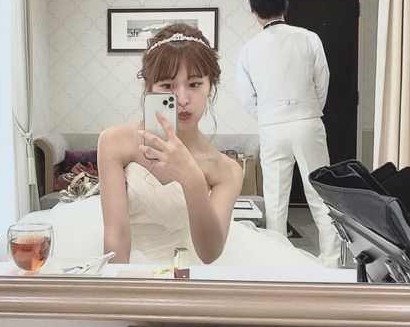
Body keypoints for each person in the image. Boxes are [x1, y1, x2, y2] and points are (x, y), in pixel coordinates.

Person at [98, 22, 322, 269]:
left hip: (193, 270)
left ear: (210, 87)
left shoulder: (226, 169)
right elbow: (117, 235)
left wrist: (193, 180)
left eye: (194, 84)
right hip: (129, 270)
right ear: (149, 88)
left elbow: (209, 254)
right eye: (167, 86)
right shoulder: (114, 142)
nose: (182, 99)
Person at [236, 0, 341, 268]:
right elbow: (322, 81)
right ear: (285, 6)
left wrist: (267, 116)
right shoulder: (308, 38)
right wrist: (309, 109)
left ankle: (278, 262)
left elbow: (246, 96)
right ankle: (331, 261)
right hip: (307, 121)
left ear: (255, 12)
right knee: (320, 193)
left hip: (271, 125)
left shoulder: (249, 49)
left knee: (275, 197)